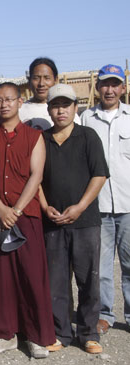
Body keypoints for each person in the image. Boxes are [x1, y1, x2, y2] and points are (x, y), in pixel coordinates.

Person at [0, 82, 56, 359]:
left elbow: (36, 175)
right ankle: (4, 334)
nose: (4, 105)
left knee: (32, 276)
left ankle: (36, 336)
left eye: (9, 99)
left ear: (20, 102)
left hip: (26, 216)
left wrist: (17, 210)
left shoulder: (35, 137)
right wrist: (0, 209)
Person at [41, 84, 109, 354]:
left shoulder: (87, 136)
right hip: (53, 222)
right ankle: (60, 332)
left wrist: (80, 207)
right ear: (49, 110)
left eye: (66, 105)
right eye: (56, 105)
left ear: (75, 108)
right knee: (56, 280)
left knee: (88, 279)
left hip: (85, 221)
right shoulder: (42, 139)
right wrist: (45, 207)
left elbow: (99, 175)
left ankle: (89, 333)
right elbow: (35, 179)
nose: (61, 110)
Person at [80, 64, 130, 335]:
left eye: (115, 84)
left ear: (123, 88)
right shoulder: (86, 118)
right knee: (101, 266)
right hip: (97, 206)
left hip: (128, 204)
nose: (109, 90)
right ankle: (105, 314)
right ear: (97, 88)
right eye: (105, 84)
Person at [19, 57, 81, 131]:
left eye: (47, 78)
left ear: (55, 80)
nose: (41, 83)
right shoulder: (18, 111)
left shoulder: (68, 114)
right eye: (36, 78)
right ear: (29, 80)